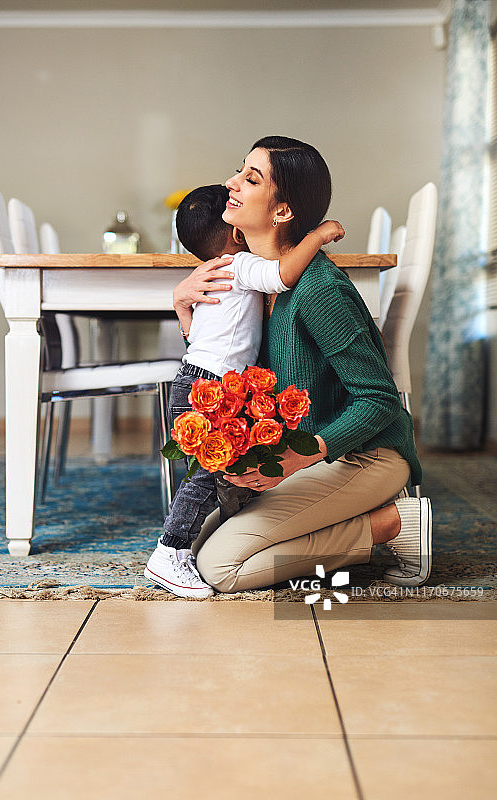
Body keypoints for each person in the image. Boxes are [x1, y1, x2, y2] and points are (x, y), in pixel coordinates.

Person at [172, 135, 432, 594]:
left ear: (282, 212)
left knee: (220, 568)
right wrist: (182, 306)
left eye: (251, 179)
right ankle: (346, 517)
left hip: (364, 454)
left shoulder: (317, 290)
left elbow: (380, 400)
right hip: (310, 453)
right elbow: (220, 359)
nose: (231, 182)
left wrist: (298, 458)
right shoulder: (249, 281)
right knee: (192, 546)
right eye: (239, 169)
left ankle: (392, 524)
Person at [144, 183, 345, 598]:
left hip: (191, 379)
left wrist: (181, 306)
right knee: (206, 477)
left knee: (213, 475)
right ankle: (169, 551)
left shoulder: (211, 273)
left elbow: (197, 334)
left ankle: (211, 539)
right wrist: (318, 235)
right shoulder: (239, 265)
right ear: (236, 232)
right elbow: (283, 275)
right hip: (211, 387)